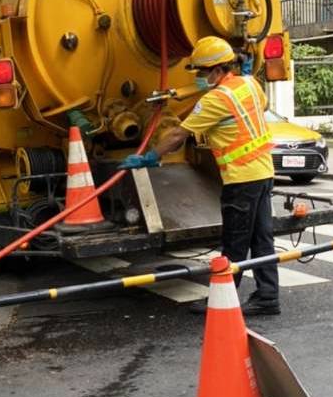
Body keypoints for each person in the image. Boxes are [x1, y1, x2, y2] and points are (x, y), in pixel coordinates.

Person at [118, 36, 279, 316]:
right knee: (262, 240)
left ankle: (220, 300)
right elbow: (260, 108)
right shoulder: (251, 85)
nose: (201, 78)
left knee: (234, 246)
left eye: (203, 72)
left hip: (241, 180)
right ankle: (267, 297)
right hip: (264, 173)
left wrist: (151, 157)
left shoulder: (216, 99)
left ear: (217, 70)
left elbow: (179, 134)